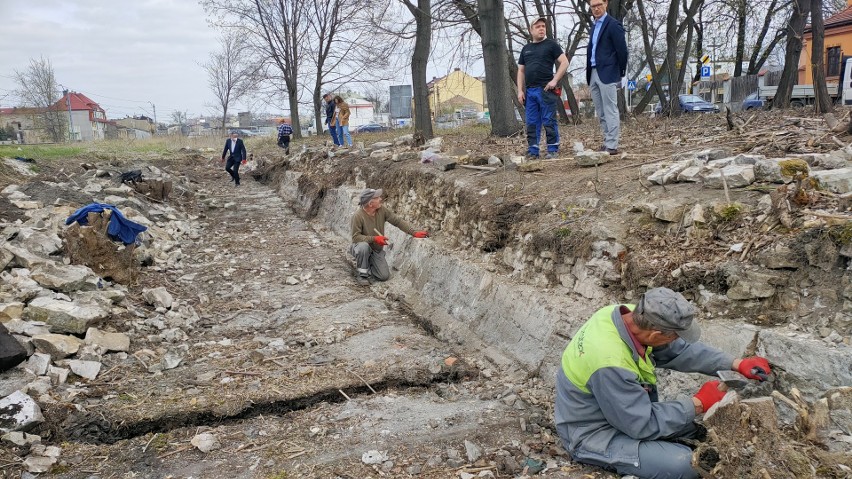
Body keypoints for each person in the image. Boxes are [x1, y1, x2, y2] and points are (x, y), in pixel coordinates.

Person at [555, 287, 772, 479]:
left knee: (693, 430)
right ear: (656, 333)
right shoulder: (609, 362)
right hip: (592, 434)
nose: (676, 341)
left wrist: (736, 363)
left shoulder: (629, 316)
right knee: (686, 464)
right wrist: (698, 403)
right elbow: (641, 424)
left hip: (620, 414)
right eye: (674, 336)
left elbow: (681, 351)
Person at [350, 188, 429, 286]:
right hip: (361, 246)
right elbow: (356, 237)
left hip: (375, 250)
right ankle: (362, 274)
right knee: (363, 247)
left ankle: (367, 263)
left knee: (383, 276)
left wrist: (413, 233)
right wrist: (374, 239)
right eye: (377, 197)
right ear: (371, 204)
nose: (380, 199)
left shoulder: (381, 210)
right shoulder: (358, 216)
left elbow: (397, 221)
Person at [517, 17, 569, 160]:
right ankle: (533, 150)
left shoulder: (551, 45)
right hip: (530, 91)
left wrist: (555, 80)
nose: (541, 28)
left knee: (548, 120)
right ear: (531, 30)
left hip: (546, 90)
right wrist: (520, 91)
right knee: (531, 122)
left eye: (543, 26)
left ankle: (552, 149)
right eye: (538, 26)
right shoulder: (525, 49)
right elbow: (521, 71)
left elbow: (564, 62)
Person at [585, 0, 628, 155]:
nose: (596, 8)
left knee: (610, 109)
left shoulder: (613, 25)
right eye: (593, 6)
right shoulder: (594, 26)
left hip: (608, 72)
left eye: (599, 5)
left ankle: (612, 145)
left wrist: (620, 72)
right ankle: (607, 141)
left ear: (606, 4)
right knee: (600, 110)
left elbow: (622, 51)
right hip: (594, 72)